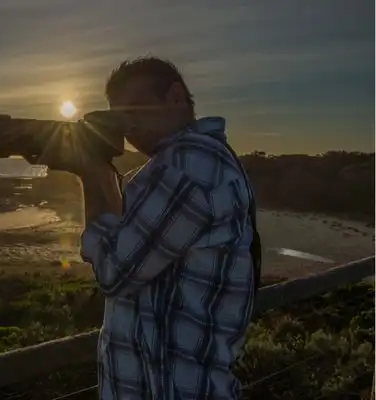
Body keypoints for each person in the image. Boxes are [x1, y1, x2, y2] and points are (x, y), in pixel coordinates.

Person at [31, 57, 260, 399]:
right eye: (120, 116)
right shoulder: (181, 166)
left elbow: (115, 270)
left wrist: (93, 172)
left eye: (136, 108)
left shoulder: (190, 163)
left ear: (176, 96)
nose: (129, 126)